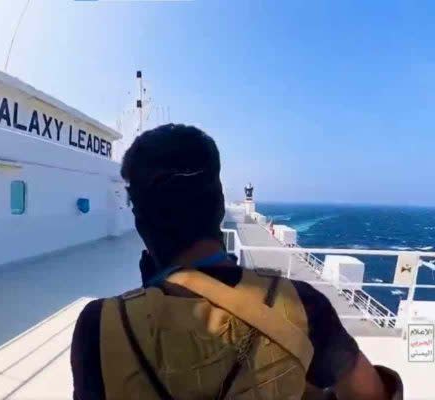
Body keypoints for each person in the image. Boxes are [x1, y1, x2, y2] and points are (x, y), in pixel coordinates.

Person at [71, 124, 402, 400]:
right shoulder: (300, 305)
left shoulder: (99, 325)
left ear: (140, 220)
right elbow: (369, 394)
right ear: (218, 207)